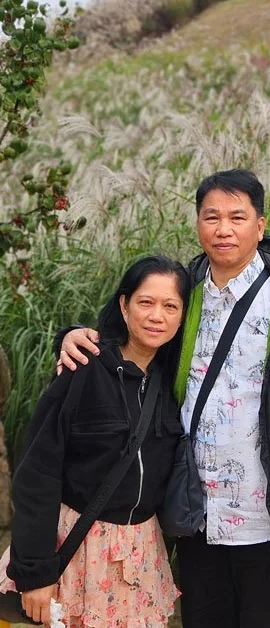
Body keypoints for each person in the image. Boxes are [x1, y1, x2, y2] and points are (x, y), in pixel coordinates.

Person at [58, 169, 270, 628]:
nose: (223, 229)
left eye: (238, 217)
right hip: (197, 518)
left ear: (260, 225)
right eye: (211, 217)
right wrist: (72, 335)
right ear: (197, 223)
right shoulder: (182, 292)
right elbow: (123, 343)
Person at [0, 255, 189, 628]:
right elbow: (38, 474)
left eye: (170, 306)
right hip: (79, 549)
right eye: (146, 302)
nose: (157, 316)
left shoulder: (175, 381)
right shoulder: (83, 368)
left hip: (141, 555)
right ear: (124, 305)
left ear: (183, 316)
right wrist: (35, 571)